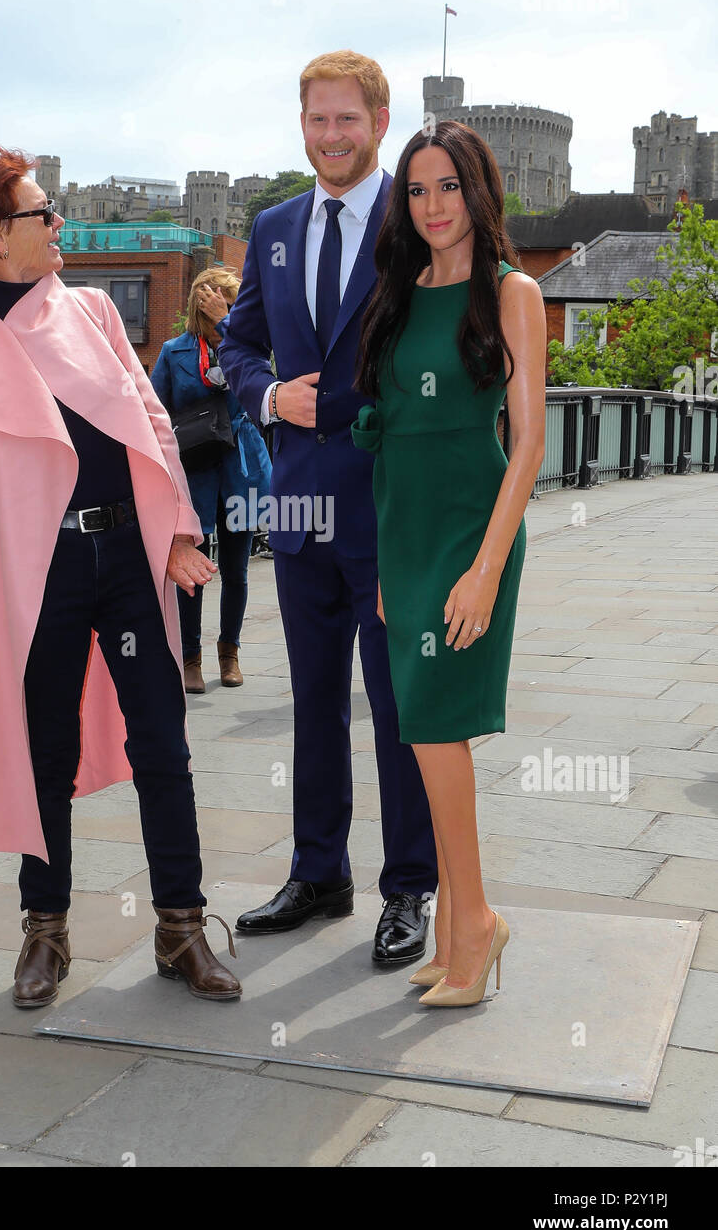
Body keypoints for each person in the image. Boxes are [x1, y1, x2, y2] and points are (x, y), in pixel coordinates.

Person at [0, 145, 241, 1008]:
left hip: (127, 560)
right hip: (37, 574)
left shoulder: (96, 312)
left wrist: (177, 530)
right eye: (43, 212)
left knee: (163, 744)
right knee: (43, 756)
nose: (59, 220)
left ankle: (181, 925)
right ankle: (46, 931)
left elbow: (148, 420)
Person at [218, 51, 438, 966]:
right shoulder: (271, 228)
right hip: (299, 512)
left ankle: (409, 888)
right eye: (317, 120)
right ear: (300, 125)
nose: (331, 136)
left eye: (348, 120)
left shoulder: (420, 216)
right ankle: (319, 873)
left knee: (398, 708)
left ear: (379, 122)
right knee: (315, 702)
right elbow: (237, 347)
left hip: (389, 510)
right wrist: (272, 398)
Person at [352, 120, 546, 1007]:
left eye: (449, 187)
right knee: (423, 734)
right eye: (418, 190)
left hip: (472, 531)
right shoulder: (398, 292)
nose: (433, 206)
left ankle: (470, 927)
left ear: (479, 192)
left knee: (432, 726)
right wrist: (393, 569)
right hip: (405, 532)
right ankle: (466, 921)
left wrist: (485, 569)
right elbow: (388, 434)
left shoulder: (511, 293)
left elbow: (530, 442)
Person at [151, 267, 271, 692]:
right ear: (202, 303)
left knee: (236, 570)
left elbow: (264, 382)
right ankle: (190, 657)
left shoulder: (247, 348)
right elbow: (156, 415)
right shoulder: (173, 351)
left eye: (235, 303)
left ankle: (229, 652)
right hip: (194, 470)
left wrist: (229, 322)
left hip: (240, 469)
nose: (234, 308)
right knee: (193, 571)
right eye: (225, 302)